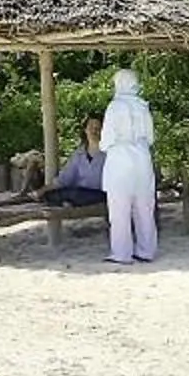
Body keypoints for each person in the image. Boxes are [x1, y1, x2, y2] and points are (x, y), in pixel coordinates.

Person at [100, 69, 159, 264]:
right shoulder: (143, 106)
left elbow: (106, 140)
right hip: (142, 159)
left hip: (120, 160)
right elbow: (150, 138)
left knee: (119, 211)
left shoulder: (114, 107)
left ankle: (122, 253)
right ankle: (146, 250)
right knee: (144, 208)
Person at [39, 114, 104, 205]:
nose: (94, 131)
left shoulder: (108, 153)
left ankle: (68, 202)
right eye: (91, 127)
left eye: (98, 128)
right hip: (78, 192)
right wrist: (42, 190)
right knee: (51, 194)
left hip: (99, 193)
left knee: (75, 194)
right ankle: (68, 202)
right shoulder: (78, 153)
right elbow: (64, 179)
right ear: (85, 130)